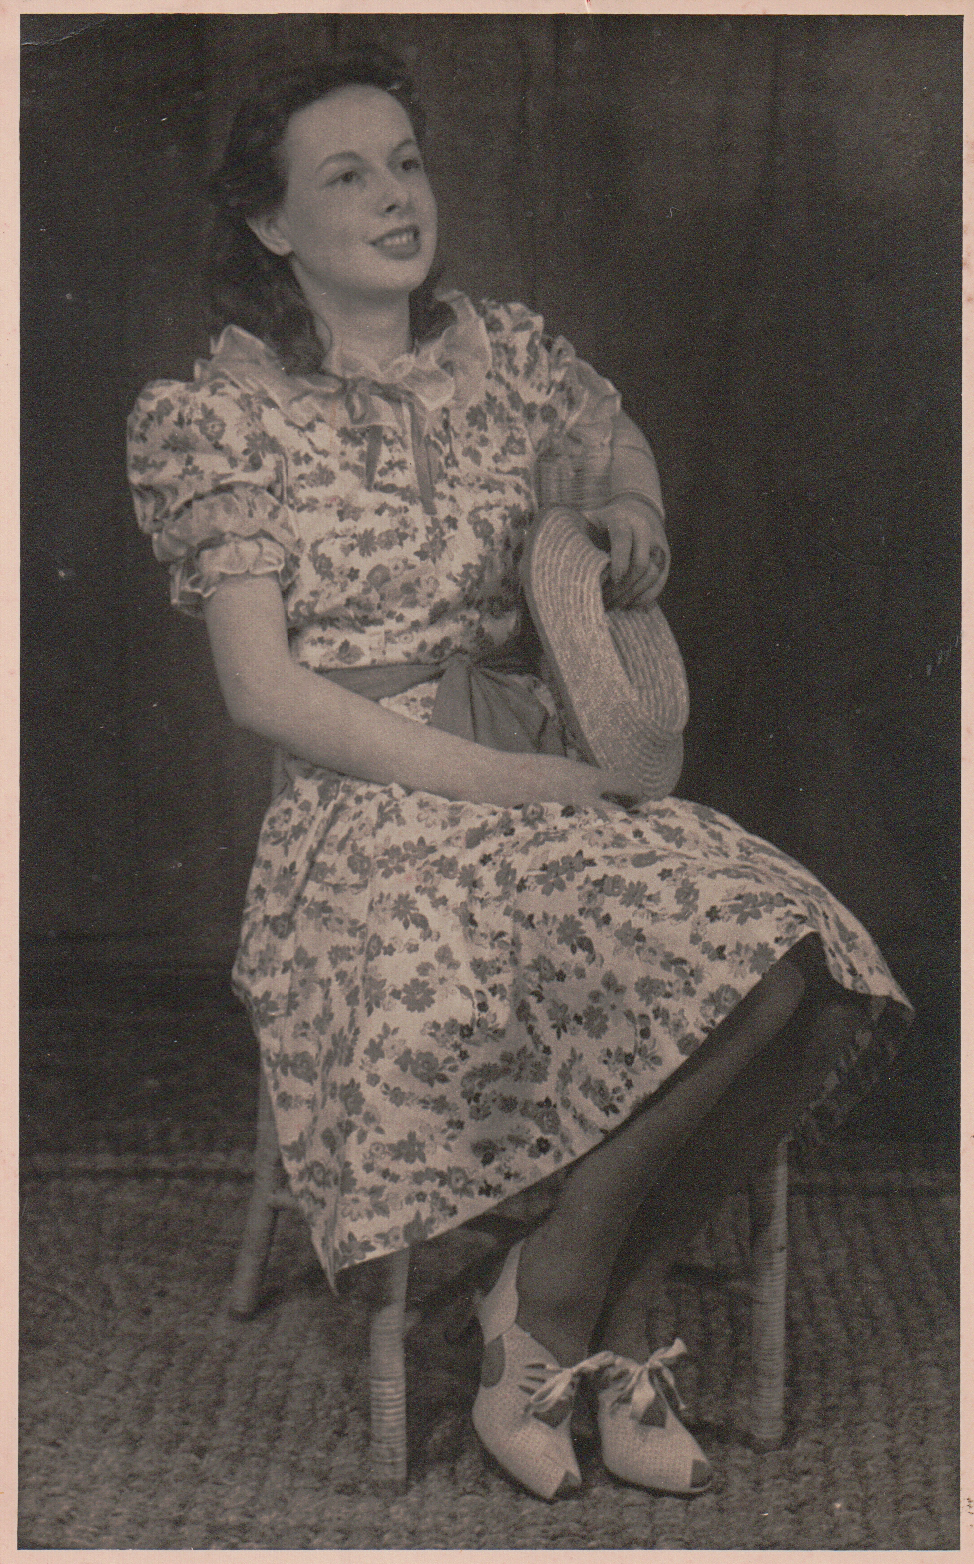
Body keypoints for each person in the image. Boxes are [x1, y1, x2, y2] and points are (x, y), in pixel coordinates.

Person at [127, 50, 911, 1502]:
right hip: (370, 822)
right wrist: (505, 788)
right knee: (714, 960)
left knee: (795, 960)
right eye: (346, 175)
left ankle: (560, 1302)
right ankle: (580, 1321)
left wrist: (629, 510)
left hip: (541, 772)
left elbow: (609, 435)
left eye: (406, 162)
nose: (395, 197)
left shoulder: (506, 354)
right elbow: (264, 691)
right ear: (272, 224)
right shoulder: (218, 417)